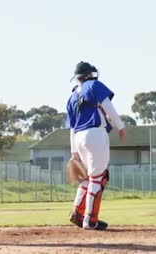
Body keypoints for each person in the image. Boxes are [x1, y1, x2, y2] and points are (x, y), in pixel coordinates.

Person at [66, 61, 126, 230]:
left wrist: (74, 152)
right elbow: (108, 106)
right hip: (95, 134)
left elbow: (72, 127)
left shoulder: (71, 96)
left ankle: (77, 212)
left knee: (87, 178)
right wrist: (120, 126)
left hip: (78, 137)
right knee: (99, 177)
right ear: (87, 74)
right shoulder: (93, 85)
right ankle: (90, 219)